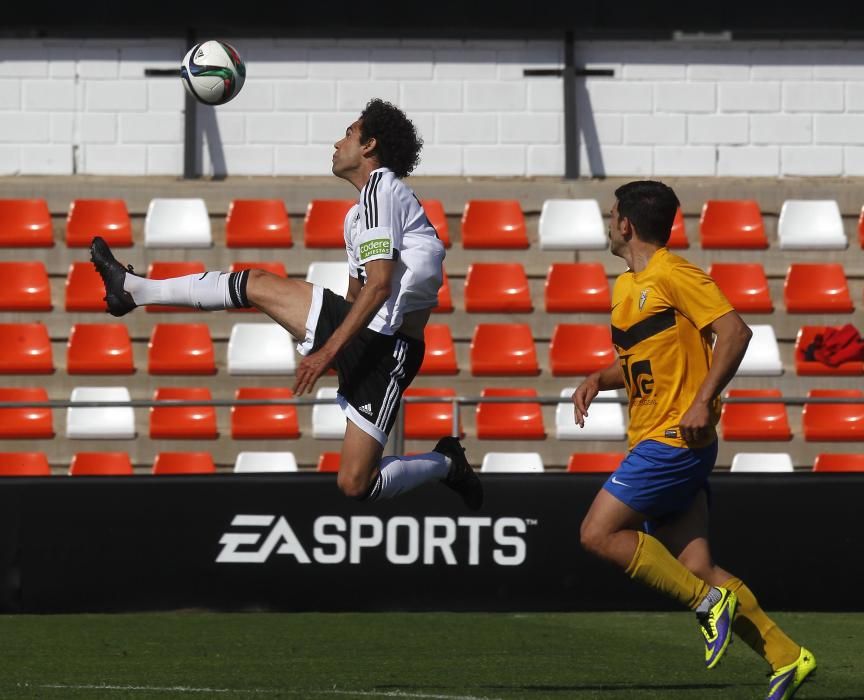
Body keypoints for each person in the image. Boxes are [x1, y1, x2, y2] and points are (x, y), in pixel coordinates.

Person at [90, 98, 482, 510]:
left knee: (355, 484)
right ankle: (133, 289)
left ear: (369, 146)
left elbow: (380, 285)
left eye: (348, 133)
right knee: (256, 283)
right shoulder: (358, 217)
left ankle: (447, 464)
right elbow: (355, 297)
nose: (337, 143)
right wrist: (334, 348)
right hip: (362, 330)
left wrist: (328, 351)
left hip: (390, 350)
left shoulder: (383, 189)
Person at [573, 181, 814, 700]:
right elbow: (641, 358)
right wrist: (599, 377)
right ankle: (787, 657)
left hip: (674, 438)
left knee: (596, 533)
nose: (608, 221)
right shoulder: (627, 287)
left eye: (612, 213)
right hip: (658, 438)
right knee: (698, 566)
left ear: (626, 225)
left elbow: (735, 332)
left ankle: (708, 605)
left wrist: (703, 399)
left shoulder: (673, 273)